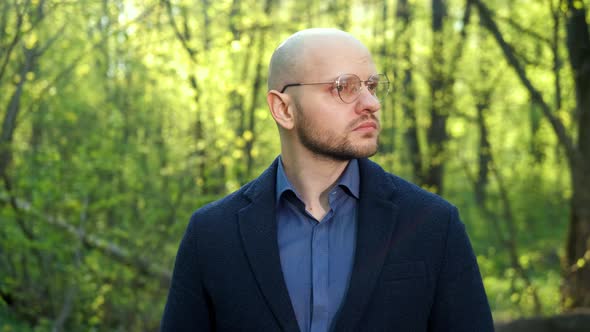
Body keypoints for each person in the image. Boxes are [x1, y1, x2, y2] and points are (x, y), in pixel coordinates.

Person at [161, 28, 494, 332]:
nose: (372, 104)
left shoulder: (433, 224)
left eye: (373, 86)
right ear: (284, 109)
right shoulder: (211, 235)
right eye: (344, 87)